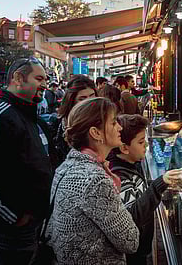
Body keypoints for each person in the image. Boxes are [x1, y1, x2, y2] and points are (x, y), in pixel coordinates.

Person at [46, 97, 139, 264]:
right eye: (113, 123)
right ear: (95, 133)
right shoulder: (96, 180)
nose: (120, 127)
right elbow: (130, 241)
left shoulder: (66, 166)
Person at [0, 57, 53, 265]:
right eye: (38, 78)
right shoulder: (1, 115)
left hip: (33, 226)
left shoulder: (28, 115)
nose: (45, 84)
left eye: (45, 79)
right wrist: (13, 216)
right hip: (8, 233)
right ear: (18, 78)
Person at [108, 114, 182, 265]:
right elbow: (132, 215)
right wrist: (159, 184)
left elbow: (139, 191)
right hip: (133, 253)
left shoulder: (131, 165)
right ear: (124, 148)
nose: (147, 146)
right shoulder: (118, 176)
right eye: (141, 142)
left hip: (141, 247)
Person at [54, 75, 97, 164]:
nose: (89, 101)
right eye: (82, 98)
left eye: (92, 96)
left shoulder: (101, 119)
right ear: (72, 100)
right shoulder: (61, 122)